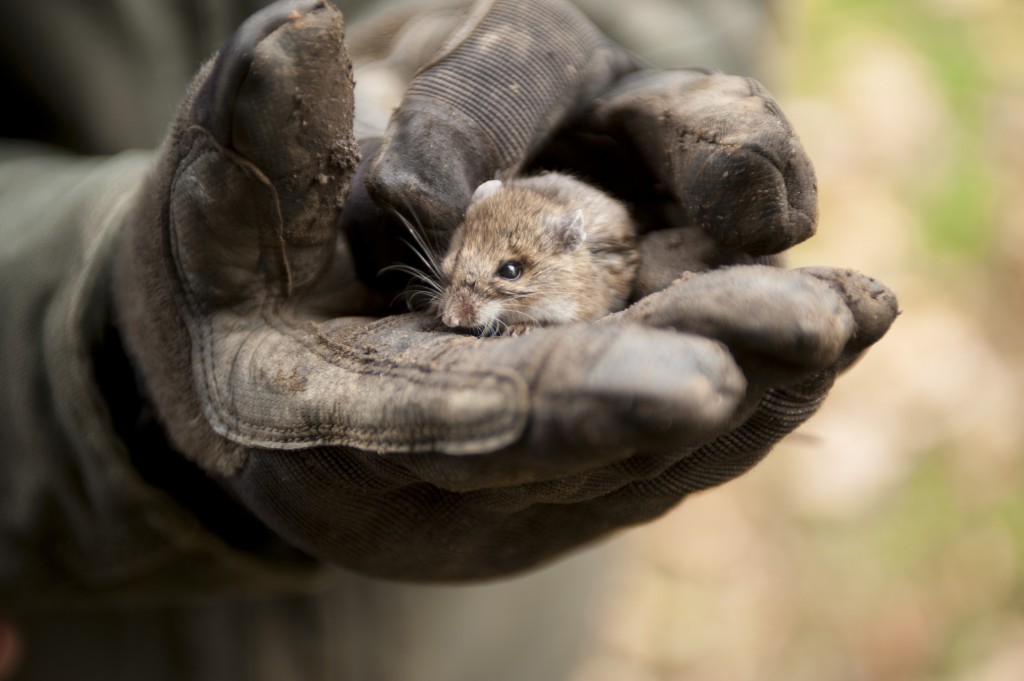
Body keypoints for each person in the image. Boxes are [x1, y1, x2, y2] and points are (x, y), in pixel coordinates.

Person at [0, 0, 898, 678]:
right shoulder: (483, 249)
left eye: (501, 280)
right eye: (457, 273)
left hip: (501, 635)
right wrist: (101, 344)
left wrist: (593, 49)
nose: (457, 303)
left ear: (564, 258)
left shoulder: (583, 256)